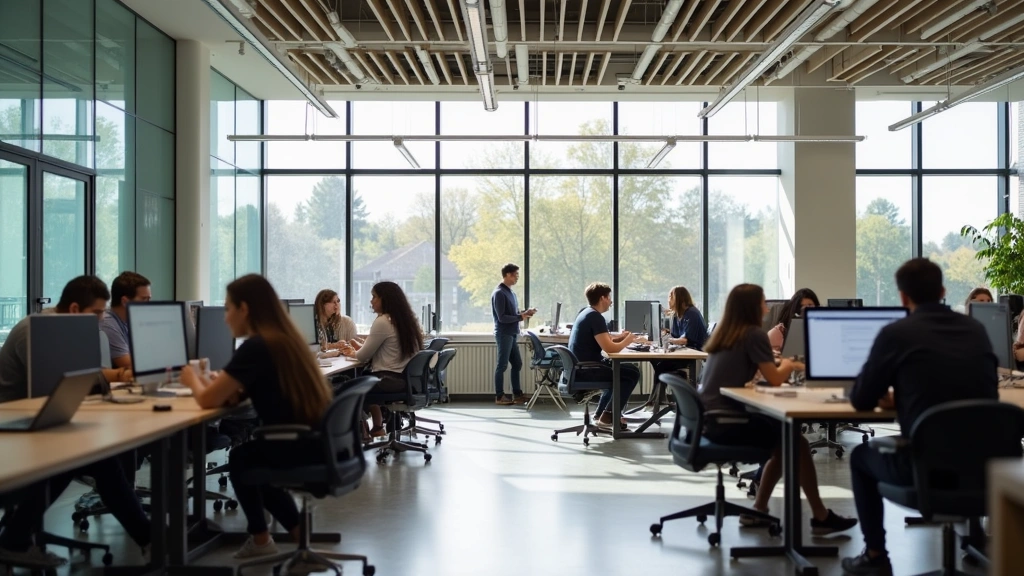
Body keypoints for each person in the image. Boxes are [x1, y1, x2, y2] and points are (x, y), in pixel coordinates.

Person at [841, 259, 998, 576]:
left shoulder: (896, 333)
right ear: (942, 291)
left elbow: (861, 399)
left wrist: (896, 395)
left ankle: (875, 556)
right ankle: (976, 538)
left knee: (860, 457)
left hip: (924, 471)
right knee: (962, 437)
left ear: (903, 297)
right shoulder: (977, 330)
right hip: (984, 470)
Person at [180, 274, 334, 559]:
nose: (225, 317)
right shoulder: (285, 339)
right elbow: (254, 387)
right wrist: (224, 385)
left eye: (228, 308)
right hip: (317, 442)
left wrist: (191, 378)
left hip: (296, 446)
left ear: (244, 309)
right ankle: (292, 537)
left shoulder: (256, 346)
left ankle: (262, 540)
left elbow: (207, 400)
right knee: (253, 460)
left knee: (243, 460)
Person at [0, 276, 150, 567]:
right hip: (13, 428)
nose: (102, 319)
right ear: (73, 309)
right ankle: (14, 540)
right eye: (97, 312)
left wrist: (118, 376)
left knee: (101, 460)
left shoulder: (66, 329)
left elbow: (85, 375)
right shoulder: (36, 331)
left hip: (41, 421)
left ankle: (149, 539)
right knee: (85, 459)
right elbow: (55, 383)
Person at [698, 283, 857, 535]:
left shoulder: (728, 335)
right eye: (763, 302)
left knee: (789, 440)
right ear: (751, 307)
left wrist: (774, 364)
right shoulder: (753, 334)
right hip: (727, 423)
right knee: (794, 441)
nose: (767, 307)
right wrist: (791, 364)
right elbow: (774, 379)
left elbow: (748, 371)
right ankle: (819, 516)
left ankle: (761, 509)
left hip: (711, 421)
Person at [340, 281, 422, 436]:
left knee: (347, 387)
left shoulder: (382, 321)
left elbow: (363, 357)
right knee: (359, 380)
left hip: (388, 380)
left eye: (374, 297)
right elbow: (385, 350)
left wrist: (351, 353)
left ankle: (361, 433)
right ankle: (376, 428)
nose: (371, 301)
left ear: (385, 299)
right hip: (403, 380)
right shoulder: (406, 320)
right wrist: (358, 350)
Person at [568, 282, 640, 430]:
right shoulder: (596, 317)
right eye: (609, 297)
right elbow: (610, 348)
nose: (611, 301)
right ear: (603, 298)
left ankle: (602, 414)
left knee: (625, 371)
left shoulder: (587, 313)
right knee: (632, 373)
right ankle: (608, 416)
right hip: (588, 370)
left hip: (580, 368)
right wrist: (628, 340)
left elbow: (605, 340)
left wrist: (621, 338)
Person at [490, 263, 535, 405]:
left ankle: (517, 394)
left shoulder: (511, 293)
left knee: (517, 363)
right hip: (504, 333)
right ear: (508, 275)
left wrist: (525, 313)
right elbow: (502, 318)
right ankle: (499, 396)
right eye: (516, 275)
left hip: (512, 333)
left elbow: (513, 314)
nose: (517, 278)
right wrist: (520, 317)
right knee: (502, 365)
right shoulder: (499, 293)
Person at [100, 271, 152, 369]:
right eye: (144, 299)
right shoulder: (108, 324)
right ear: (125, 301)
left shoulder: (130, 322)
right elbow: (129, 364)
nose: (149, 305)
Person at [766, 288, 820, 352]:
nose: (806, 311)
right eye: (801, 307)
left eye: (810, 306)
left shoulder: (821, 329)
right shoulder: (778, 332)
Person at [313, 289, 359, 353]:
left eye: (338, 301)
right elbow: (317, 348)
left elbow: (354, 346)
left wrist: (340, 345)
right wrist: (334, 345)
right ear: (323, 305)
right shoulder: (313, 324)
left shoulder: (343, 322)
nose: (337, 305)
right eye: (333, 302)